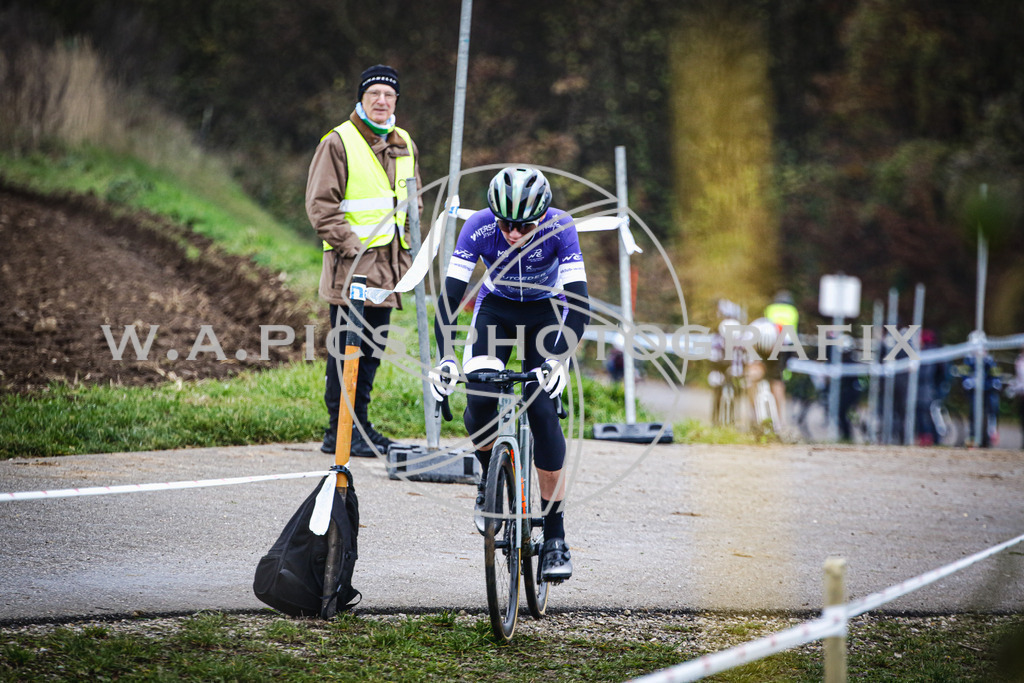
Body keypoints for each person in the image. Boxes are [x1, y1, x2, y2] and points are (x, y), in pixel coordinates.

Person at [429, 167, 591, 582]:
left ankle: (555, 534)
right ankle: (489, 478)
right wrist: (446, 357)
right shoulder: (479, 228)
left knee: (541, 411)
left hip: (546, 314)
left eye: (524, 226)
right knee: (480, 401)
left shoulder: (561, 226)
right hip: (496, 310)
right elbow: (449, 300)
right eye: (506, 224)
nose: (514, 234)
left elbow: (580, 305)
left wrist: (557, 360)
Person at [305, 64, 421, 457]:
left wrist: (412, 245)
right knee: (348, 350)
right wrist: (352, 247)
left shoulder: (403, 140)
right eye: (375, 94)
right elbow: (321, 206)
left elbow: (413, 200)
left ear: (396, 102)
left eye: (389, 96)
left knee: (371, 352)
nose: (382, 101)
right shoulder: (338, 141)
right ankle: (338, 431)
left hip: (390, 269)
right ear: (361, 98)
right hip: (353, 268)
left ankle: (359, 427)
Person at [763, 290, 799, 427]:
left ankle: (764, 416)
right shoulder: (793, 311)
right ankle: (781, 419)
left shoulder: (770, 309)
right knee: (779, 381)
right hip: (786, 347)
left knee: (766, 379)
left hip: (770, 345)